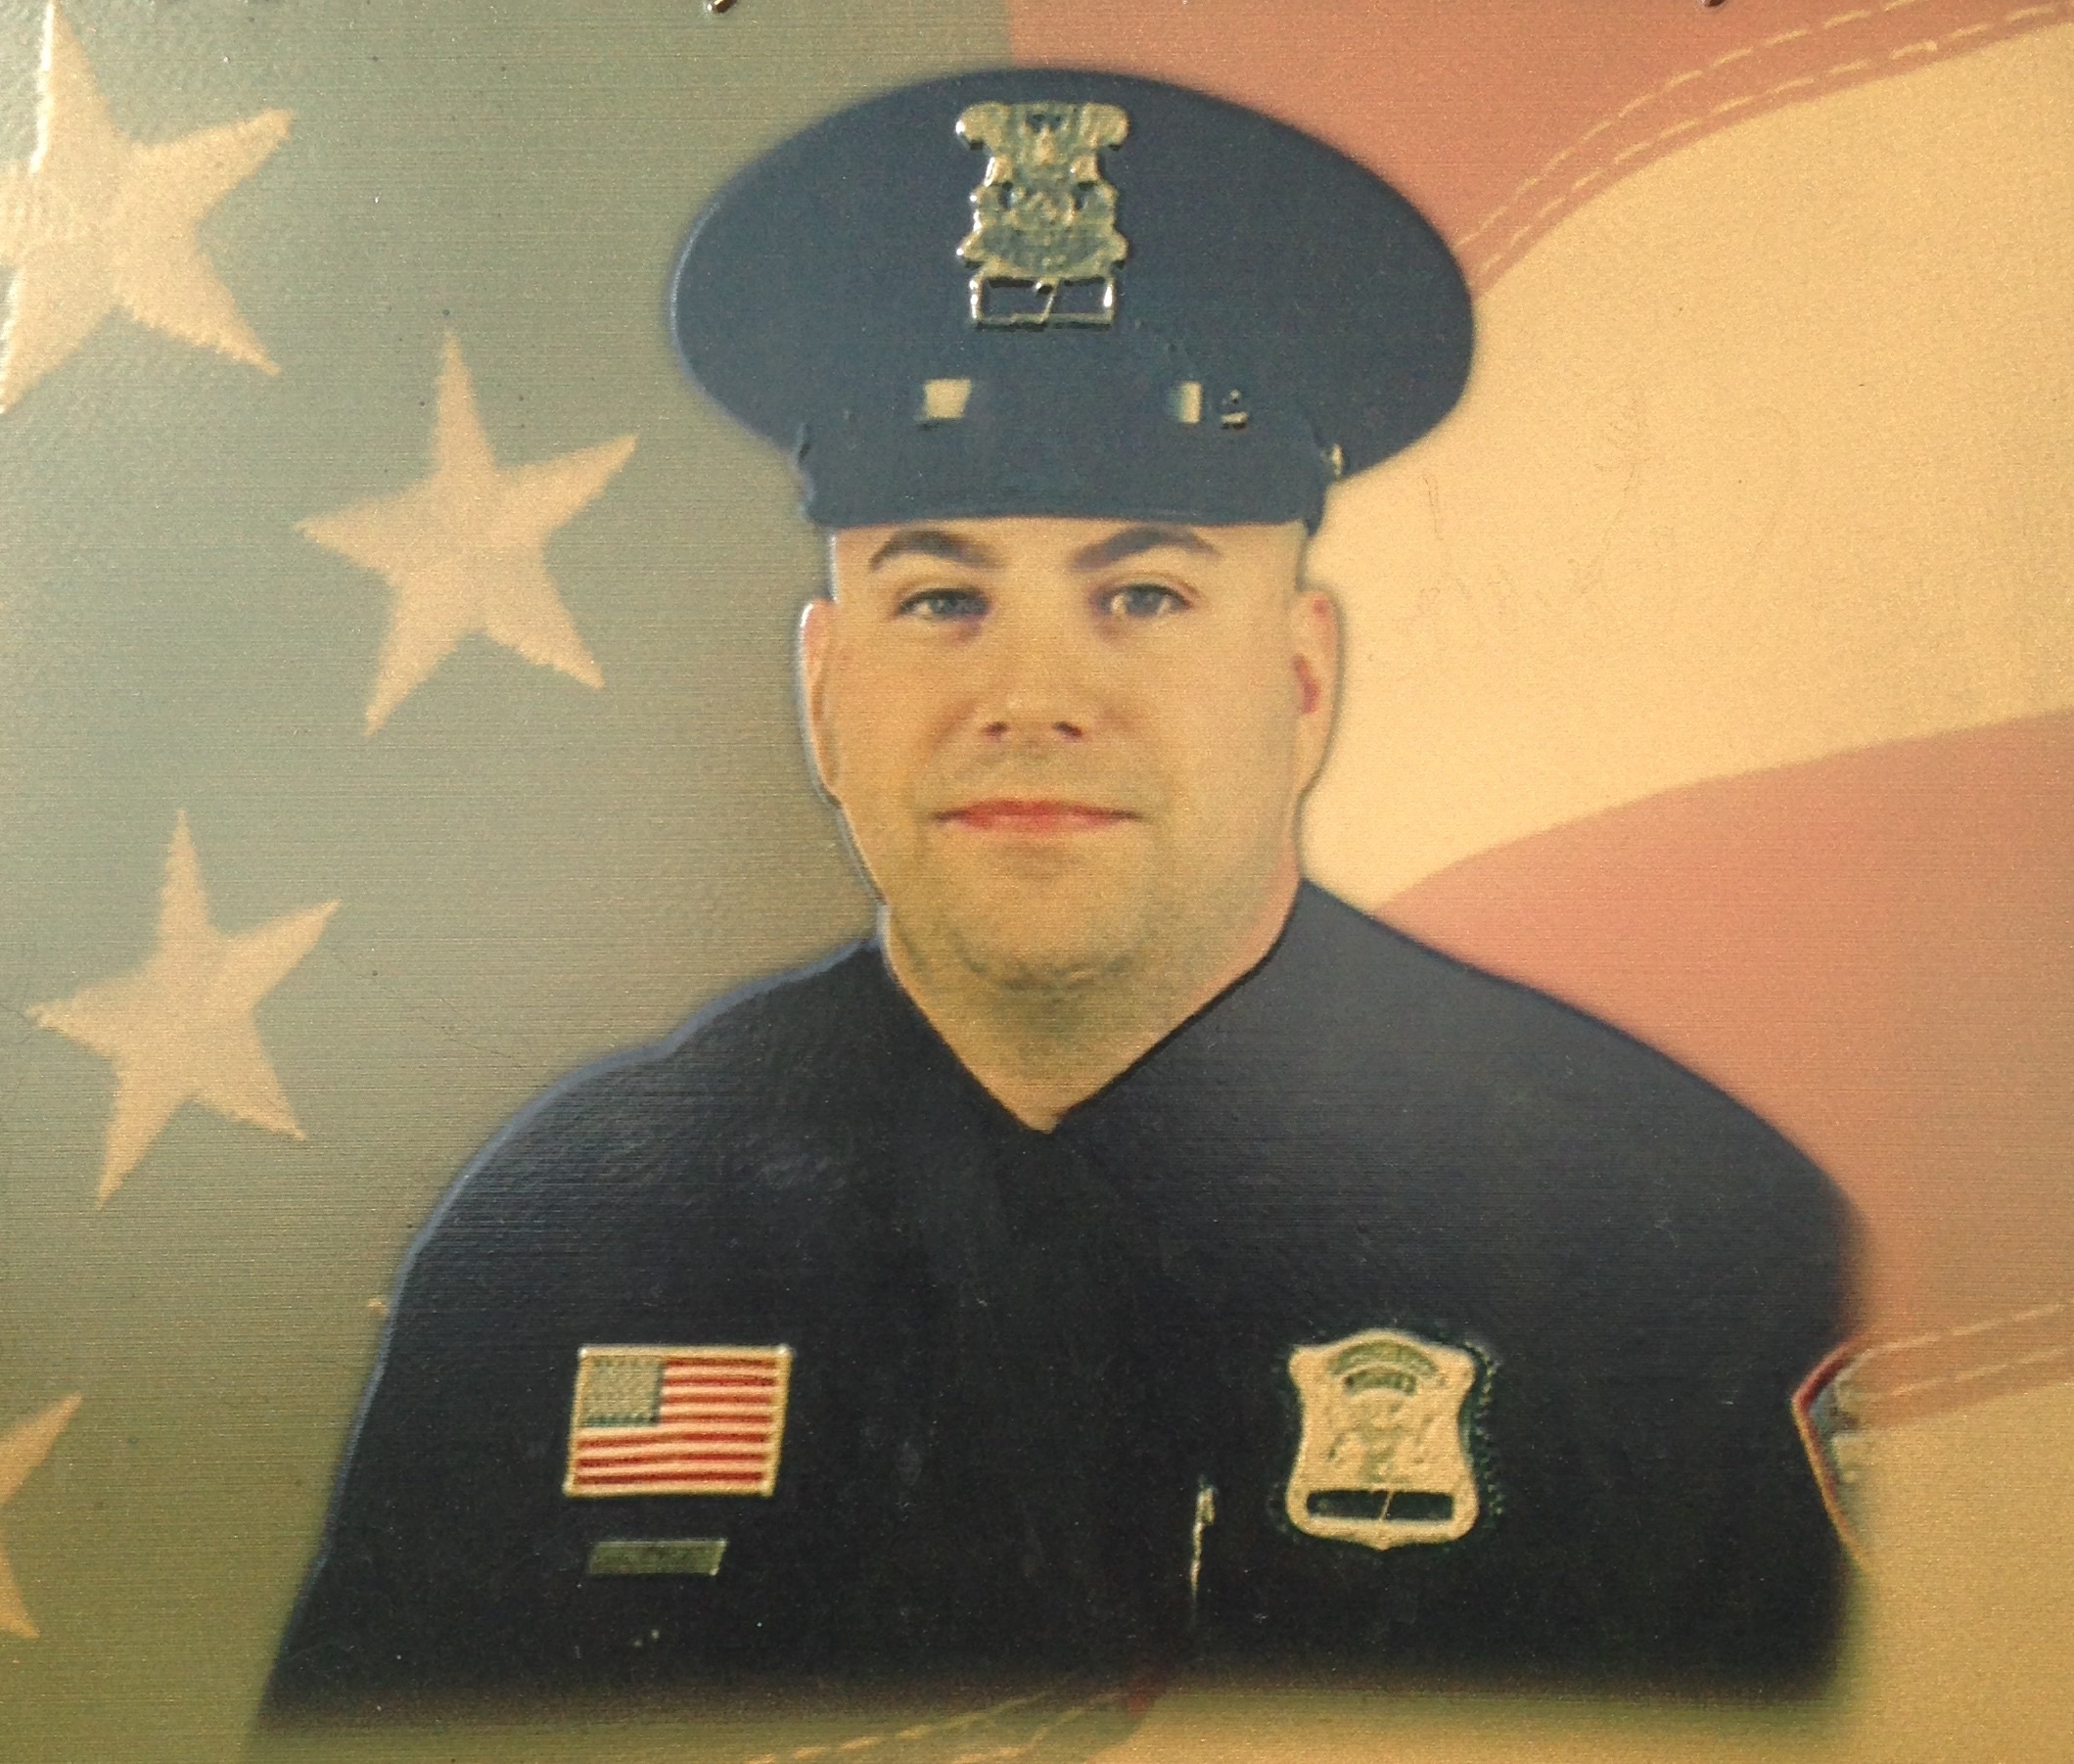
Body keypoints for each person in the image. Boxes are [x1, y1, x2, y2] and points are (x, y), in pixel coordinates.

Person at [259, 70, 1856, 1722]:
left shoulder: (1673, 1241)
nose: (1030, 700)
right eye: (940, 599)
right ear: (825, 692)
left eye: (1144, 594)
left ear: (1303, 682)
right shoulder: (573, 1237)